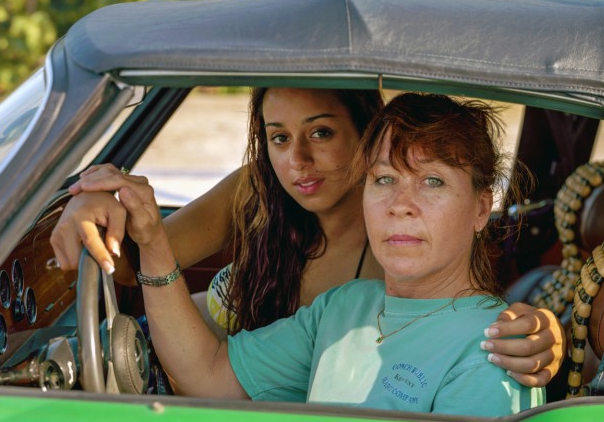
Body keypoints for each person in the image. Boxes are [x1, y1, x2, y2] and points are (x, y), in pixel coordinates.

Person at [51, 87, 564, 387]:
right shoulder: (261, 188)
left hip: (236, 410)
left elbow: (458, 315)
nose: (297, 161)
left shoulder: (400, 241)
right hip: (163, 368)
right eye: (279, 138)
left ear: (367, 136)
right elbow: (130, 259)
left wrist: (546, 333)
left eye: (321, 133)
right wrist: (95, 202)